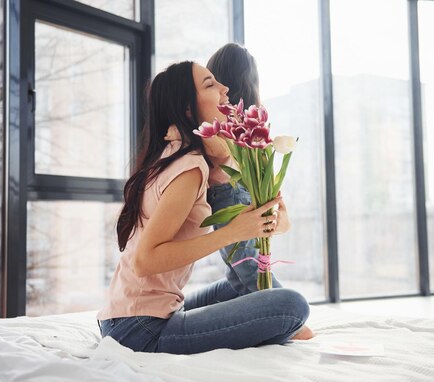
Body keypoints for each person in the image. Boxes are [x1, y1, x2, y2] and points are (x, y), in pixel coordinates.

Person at [97, 61, 311, 355]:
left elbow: (223, 156)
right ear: (187, 108)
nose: (224, 89)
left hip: (130, 316)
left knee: (237, 287)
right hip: (141, 329)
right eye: (211, 85)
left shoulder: (175, 154)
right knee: (292, 305)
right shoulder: (189, 168)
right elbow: (145, 261)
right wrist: (232, 232)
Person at [205, 42, 283, 293]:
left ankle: (281, 313)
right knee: (246, 269)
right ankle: (277, 314)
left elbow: (216, 151)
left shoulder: (219, 116)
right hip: (240, 191)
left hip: (230, 192)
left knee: (245, 269)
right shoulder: (248, 119)